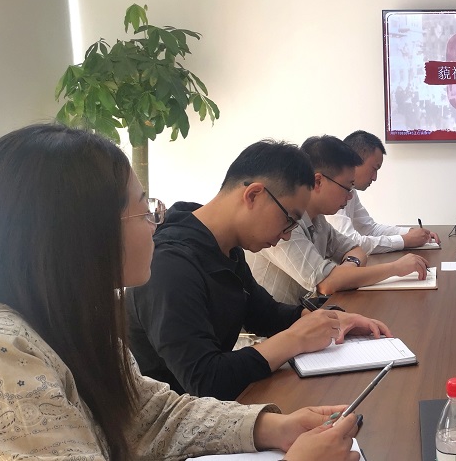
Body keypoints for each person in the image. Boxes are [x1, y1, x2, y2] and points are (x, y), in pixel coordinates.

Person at [0, 124, 359, 461]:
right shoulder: (9, 354)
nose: (155, 225)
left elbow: (150, 416)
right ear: (85, 231)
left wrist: (273, 427)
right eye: (146, 211)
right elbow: (202, 381)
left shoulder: (77, 321)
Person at [127, 139, 390, 401]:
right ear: (253, 195)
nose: (287, 235)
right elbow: (206, 381)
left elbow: (264, 314)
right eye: (289, 219)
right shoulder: (170, 264)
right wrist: (295, 338)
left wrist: (329, 320)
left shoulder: (225, 246)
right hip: (175, 417)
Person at [250, 135, 429, 304]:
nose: (350, 196)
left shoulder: (318, 221)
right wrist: (395, 268)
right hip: (275, 325)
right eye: (347, 187)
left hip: (304, 314)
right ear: (318, 182)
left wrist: (345, 270)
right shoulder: (284, 223)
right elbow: (327, 283)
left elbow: (356, 250)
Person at [327, 130, 438, 254]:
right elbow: (349, 243)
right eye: (374, 169)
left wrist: (411, 233)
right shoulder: (333, 191)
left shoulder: (350, 190)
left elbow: (369, 229)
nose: (375, 177)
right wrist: (405, 240)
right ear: (355, 160)